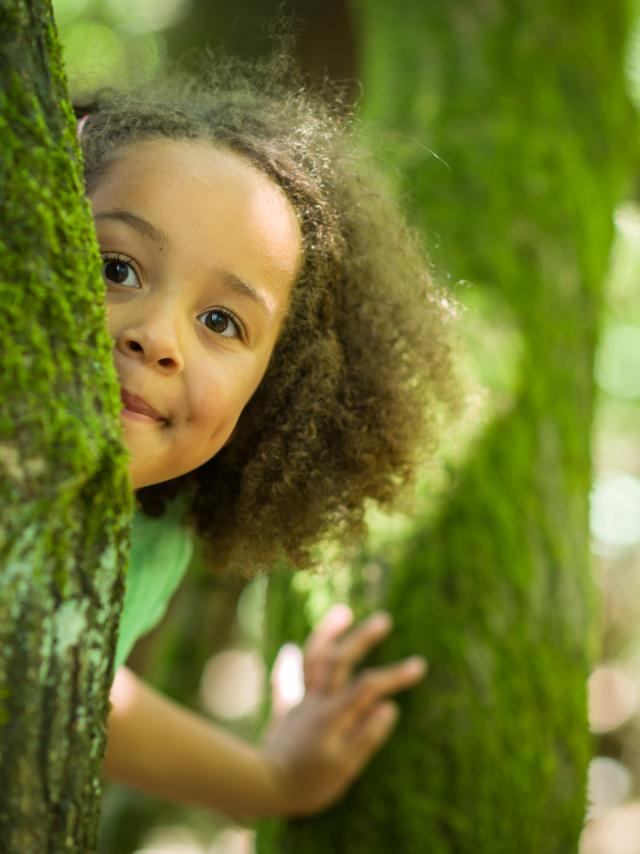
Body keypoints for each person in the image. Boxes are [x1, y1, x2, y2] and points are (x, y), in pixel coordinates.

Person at [74, 49, 458, 822]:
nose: (157, 337)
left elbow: (81, 682)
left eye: (222, 321)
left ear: (275, 396)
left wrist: (273, 782)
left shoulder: (153, 542)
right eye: (117, 269)